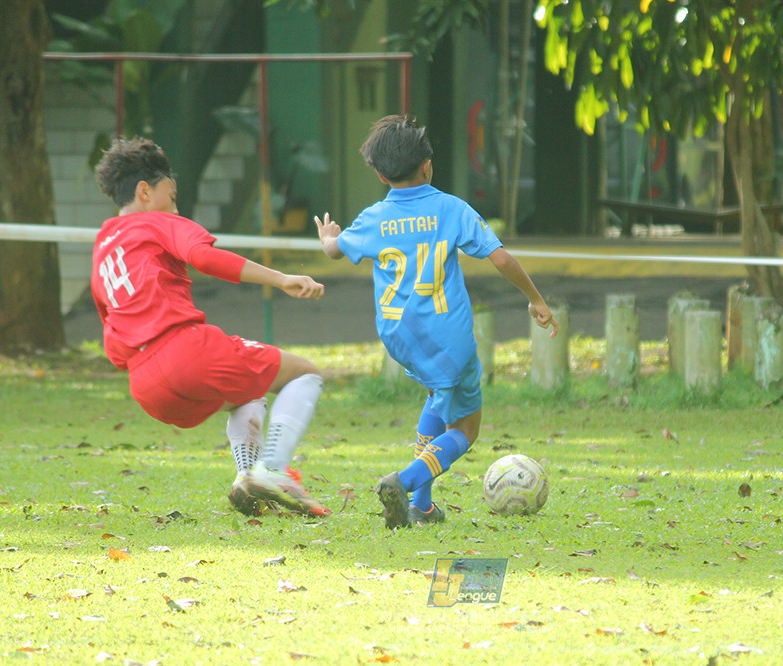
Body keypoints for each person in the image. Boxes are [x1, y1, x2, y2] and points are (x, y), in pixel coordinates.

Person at [314, 115, 558, 529]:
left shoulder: (374, 217)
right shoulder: (450, 208)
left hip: (399, 335)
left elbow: (336, 250)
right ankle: (406, 481)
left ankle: (422, 508)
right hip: (448, 336)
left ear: (378, 173)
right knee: (467, 425)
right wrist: (535, 298)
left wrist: (327, 238)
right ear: (428, 164)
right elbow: (499, 257)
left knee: (436, 396)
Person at [92, 137, 329, 518]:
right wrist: (281, 278)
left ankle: (247, 477)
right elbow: (204, 256)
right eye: (171, 195)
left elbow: (110, 329)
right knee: (305, 375)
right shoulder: (158, 221)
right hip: (182, 352)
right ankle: (274, 471)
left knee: (249, 391)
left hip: (145, 385)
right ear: (145, 191)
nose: (176, 206)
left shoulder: (104, 245)